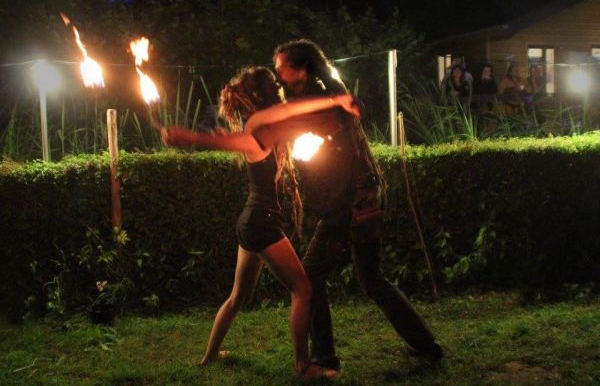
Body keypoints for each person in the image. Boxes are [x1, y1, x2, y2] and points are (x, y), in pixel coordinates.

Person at [250, 39, 443, 371]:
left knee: (308, 278)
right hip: (361, 198)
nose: (278, 73)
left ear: (301, 68)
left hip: (350, 204)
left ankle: (324, 357)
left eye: (282, 66)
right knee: (372, 279)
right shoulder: (325, 92)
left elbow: (294, 128)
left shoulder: (322, 99)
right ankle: (427, 346)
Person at [163, 66, 359, 381]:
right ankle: (302, 366)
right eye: (272, 84)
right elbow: (232, 141)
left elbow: (295, 110)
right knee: (303, 288)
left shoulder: (263, 124)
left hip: (252, 221)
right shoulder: (258, 131)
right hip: (261, 224)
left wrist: (335, 99)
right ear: (261, 95)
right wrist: (188, 136)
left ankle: (209, 357)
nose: (279, 86)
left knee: (238, 297)